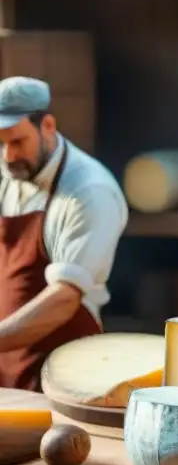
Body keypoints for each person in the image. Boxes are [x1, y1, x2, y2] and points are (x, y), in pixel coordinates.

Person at [0, 76, 127, 390]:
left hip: (61, 373)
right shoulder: (9, 173)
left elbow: (64, 298)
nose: (8, 156)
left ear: (48, 126)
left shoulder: (89, 191)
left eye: (17, 141)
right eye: (0, 142)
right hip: (7, 366)